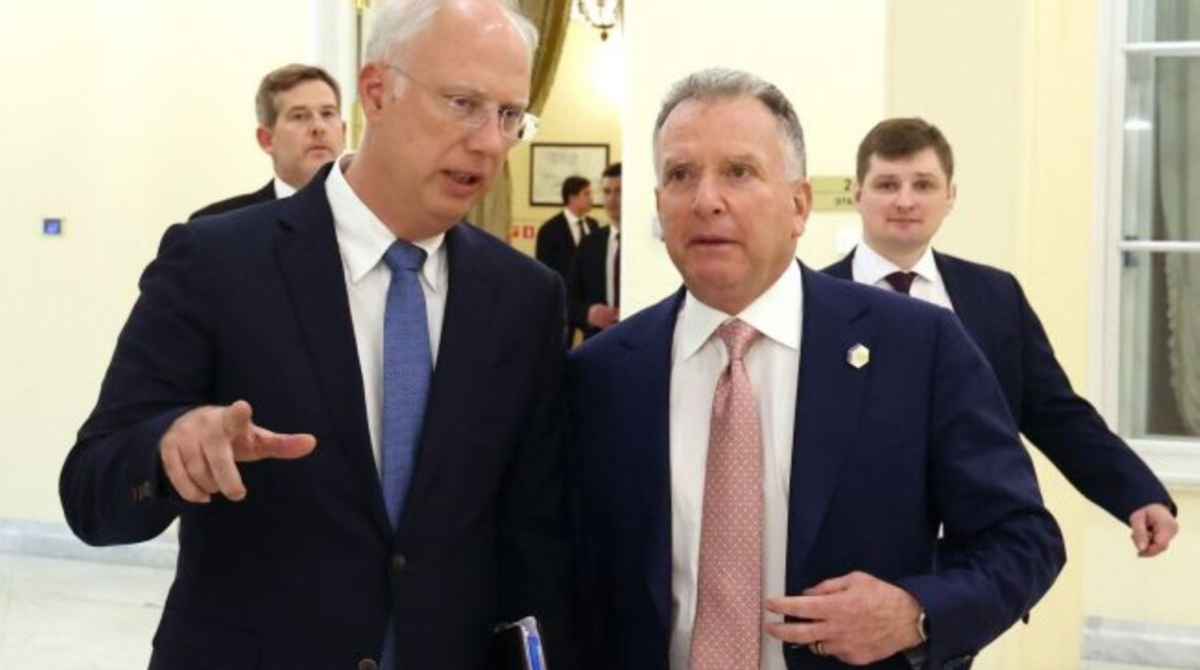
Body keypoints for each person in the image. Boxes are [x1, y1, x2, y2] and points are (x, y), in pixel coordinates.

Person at [60, 1, 578, 669]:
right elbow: (90, 490)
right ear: (376, 92)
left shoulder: (525, 299)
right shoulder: (217, 261)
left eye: (510, 116)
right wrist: (167, 452)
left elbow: (533, 539)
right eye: (462, 103)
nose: (489, 142)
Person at [569, 68, 1065, 670]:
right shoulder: (601, 375)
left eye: (739, 171)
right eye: (680, 175)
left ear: (799, 205)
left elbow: (1023, 538)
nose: (706, 200)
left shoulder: (918, 347)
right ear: (657, 205)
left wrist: (916, 612)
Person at [823, 117, 1178, 557]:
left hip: (977, 555)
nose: (905, 200)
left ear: (950, 196)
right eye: (887, 184)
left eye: (924, 185)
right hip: (852, 555)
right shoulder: (816, 303)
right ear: (857, 194)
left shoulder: (995, 296)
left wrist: (1137, 493)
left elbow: (1056, 413)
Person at [189, 63, 346, 219]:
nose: (318, 127)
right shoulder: (216, 224)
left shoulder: (360, 213)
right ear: (267, 139)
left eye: (327, 113)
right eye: (299, 116)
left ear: (344, 131)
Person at [567, 162, 621, 340]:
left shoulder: (647, 245)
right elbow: (569, 299)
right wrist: (588, 313)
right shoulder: (589, 244)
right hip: (598, 341)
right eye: (607, 192)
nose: (612, 199)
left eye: (619, 191)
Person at [536, 175, 599, 281]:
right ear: (572, 198)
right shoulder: (550, 229)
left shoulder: (593, 225)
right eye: (586, 194)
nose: (591, 199)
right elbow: (544, 269)